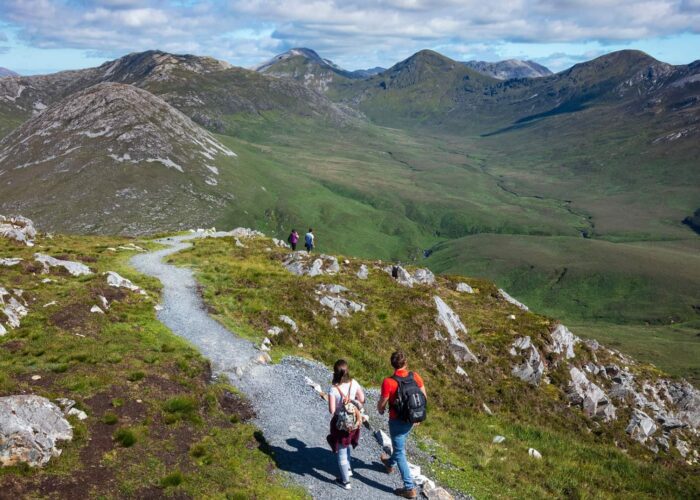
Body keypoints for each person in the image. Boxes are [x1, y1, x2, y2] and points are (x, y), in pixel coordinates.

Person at [377, 351, 427, 499]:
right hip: (412, 419)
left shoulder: (388, 382)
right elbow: (423, 395)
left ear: (392, 364)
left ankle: (409, 488)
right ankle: (389, 463)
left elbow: (383, 401)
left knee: (399, 452)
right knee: (399, 446)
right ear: (406, 363)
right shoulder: (415, 376)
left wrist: (380, 409)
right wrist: (418, 415)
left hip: (397, 420)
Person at [326, 359, 365, 490]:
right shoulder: (354, 383)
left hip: (341, 423)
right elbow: (362, 399)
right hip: (354, 422)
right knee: (347, 443)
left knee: (341, 449)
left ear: (335, 373)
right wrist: (352, 402)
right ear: (347, 371)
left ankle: (345, 482)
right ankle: (348, 469)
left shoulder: (333, 389)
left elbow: (332, 410)